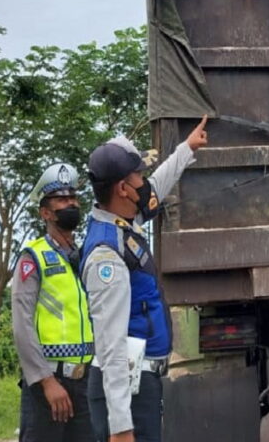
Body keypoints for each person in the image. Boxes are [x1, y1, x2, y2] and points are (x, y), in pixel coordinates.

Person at [82, 117, 208, 442]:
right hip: (126, 391)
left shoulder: (124, 221)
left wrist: (187, 148)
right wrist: (121, 426)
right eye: (138, 175)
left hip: (138, 385)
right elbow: (110, 345)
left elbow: (157, 188)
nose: (144, 181)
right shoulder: (106, 254)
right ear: (123, 189)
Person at [12, 163, 95, 442]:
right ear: (45, 212)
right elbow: (21, 325)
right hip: (49, 383)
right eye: (61, 199)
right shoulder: (32, 258)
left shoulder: (85, 257)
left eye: (73, 198)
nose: (70, 204)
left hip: (85, 383)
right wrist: (46, 381)